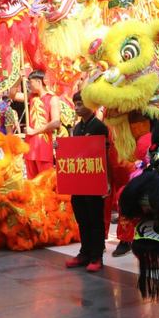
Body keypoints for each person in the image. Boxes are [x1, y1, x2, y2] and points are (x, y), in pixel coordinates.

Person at [66, 92, 110, 273]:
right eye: (75, 104)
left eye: (79, 104)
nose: (76, 108)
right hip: (79, 180)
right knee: (82, 218)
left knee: (95, 219)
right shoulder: (77, 128)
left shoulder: (99, 127)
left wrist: (106, 181)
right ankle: (84, 252)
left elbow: (104, 155)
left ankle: (96, 256)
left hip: (94, 180)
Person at [24, 70, 60, 178]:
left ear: (39, 82)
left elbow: (56, 123)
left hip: (43, 146)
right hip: (30, 146)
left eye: (30, 82)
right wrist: (19, 78)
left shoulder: (52, 98)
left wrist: (34, 131)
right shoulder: (31, 97)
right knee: (32, 183)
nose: (29, 85)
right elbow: (13, 94)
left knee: (46, 182)